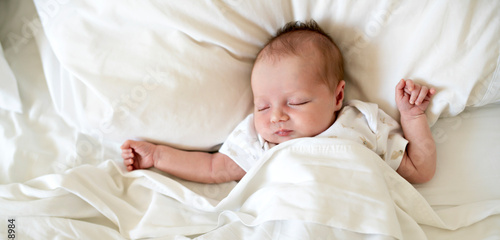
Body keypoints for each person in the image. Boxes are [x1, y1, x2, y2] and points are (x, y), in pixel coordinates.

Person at [121, 20, 436, 184]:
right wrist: (158, 156)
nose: (276, 117)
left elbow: (419, 170)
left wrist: (412, 116)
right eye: (262, 107)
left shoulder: (363, 123)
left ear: (338, 96)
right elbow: (213, 168)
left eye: (296, 102)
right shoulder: (261, 144)